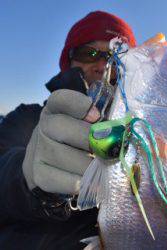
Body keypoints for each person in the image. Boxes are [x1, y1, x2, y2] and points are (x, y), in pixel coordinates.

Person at [0, 10, 136, 250]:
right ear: (69, 62)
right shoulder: (27, 118)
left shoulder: (139, 143)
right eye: (89, 52)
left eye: (118, 57)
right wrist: (26, 177)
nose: (103, 65)